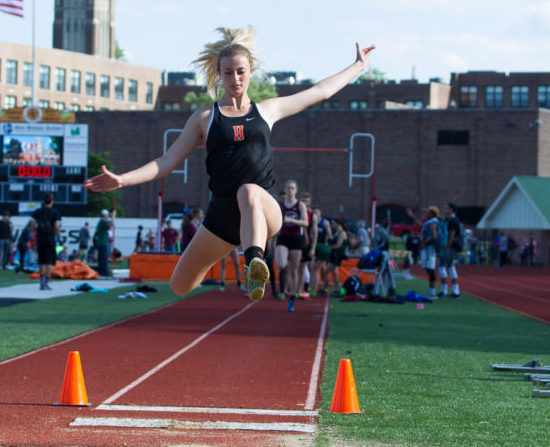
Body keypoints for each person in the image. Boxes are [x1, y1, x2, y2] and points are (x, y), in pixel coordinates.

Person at [84, 27, 374, 300]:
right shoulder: (204, 119)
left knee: (247, 191)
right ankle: (238, 253)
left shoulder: (267, 110)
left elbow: (319, 92)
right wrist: (123, 179)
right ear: (219, 75)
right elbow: (166, 161)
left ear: (251, 72)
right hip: (223, 214)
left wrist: (357, 67)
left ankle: (254, 264)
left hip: (264, 207)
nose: (235, 79)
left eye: (240, 72)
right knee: (180, 285)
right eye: (228, 73)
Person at [275, 179, 309, 311]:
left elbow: (306, 223)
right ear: (285, 189)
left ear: (296, 190)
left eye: (292, 188)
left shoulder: (300, 205)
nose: (290, 190)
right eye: (288, 188)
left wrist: (291, 220)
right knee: (281, 264)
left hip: (296, 238)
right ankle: (288, 265)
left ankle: (292, 298)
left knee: (294, 271)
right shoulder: (281, 205)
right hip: (283, 237)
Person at [32, 192, 61, 290]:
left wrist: (36, 232)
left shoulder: (38, 211)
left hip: (40, 237)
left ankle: (41, 281)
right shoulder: (55, 212)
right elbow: (56, 225)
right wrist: (57, 234)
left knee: (41, 260)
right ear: (52, 201)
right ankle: (46, 282)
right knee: (49, 261)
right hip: (50, 238)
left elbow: (32, 224)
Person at [438, 203, 462, 298]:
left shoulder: (452, 221)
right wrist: (433, 213)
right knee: (450, 267)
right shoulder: (451, 219)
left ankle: (446, 290)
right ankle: (454, 291)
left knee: (444, 267)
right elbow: (443, 219)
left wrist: (447, 246)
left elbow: (452, 234)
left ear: (452, 209)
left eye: (447, 208)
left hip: (449, 246)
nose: (445, 209)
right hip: (450, 246)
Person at [419, 206, 440, 299]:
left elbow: (434, 236)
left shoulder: (432, 223)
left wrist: (425, 243)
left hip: (430, 249)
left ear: (432, 214)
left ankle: (432, 291)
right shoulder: (429, 222)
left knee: (430, 269)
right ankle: (431, 290)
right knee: (428, 269)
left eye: (428, 212)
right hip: (428, 248)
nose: (426, 214)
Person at [94, 209, 112, 277]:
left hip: (101, 242)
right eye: (107, 215)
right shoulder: (103, 222)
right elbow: (111, 224)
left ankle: (102, 270)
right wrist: (113, 215)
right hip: (103, 242)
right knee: (103, 258)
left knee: (102, 257)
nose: (108, 216)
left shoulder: (101, 222)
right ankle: (104, 271)